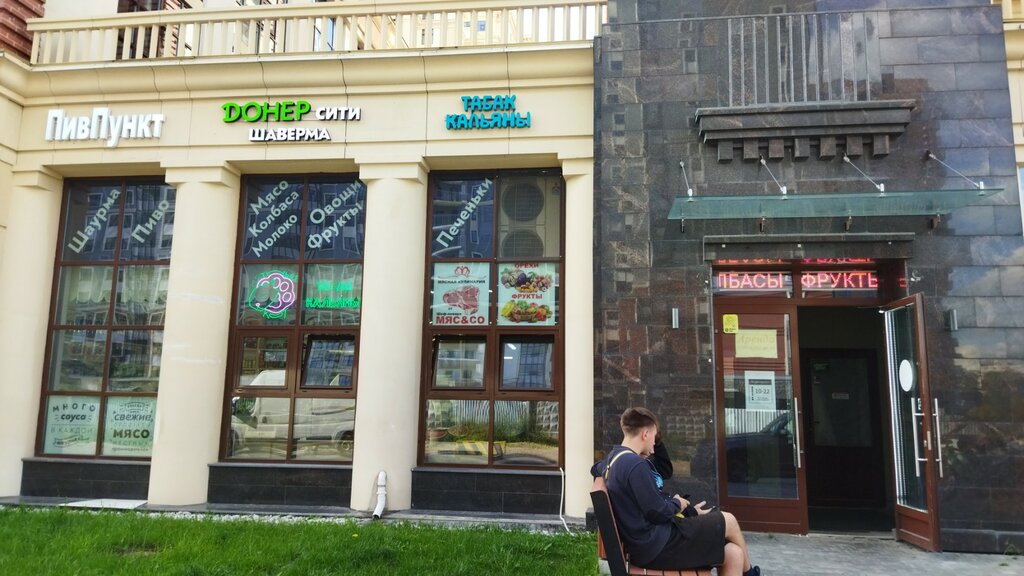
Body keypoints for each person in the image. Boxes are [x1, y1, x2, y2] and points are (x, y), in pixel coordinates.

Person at [591, 407, 761, 576]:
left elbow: (596, 468)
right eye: (654, 438)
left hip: (650, 544)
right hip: (657, 546)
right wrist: (678, 503)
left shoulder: (614, 459)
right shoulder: (635, 465)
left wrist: (688, 511)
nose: (654, 445)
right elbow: (657, 512)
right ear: (645, 434)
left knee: (733, 553)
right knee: (729, 520)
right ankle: (751, 574)